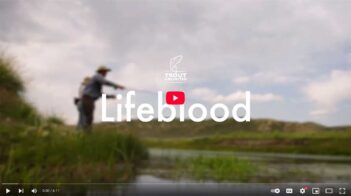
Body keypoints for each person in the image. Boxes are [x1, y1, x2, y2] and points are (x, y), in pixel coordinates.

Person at [80, 65, 125, 132]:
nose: (106, 73)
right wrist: (117, 86)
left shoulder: (97, 82)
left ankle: (86, 133)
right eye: (106, 71)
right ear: (102, 71)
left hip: (88, 100)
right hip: (87, 99)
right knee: (88, 118)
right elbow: (105, 82)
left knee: (88, 118)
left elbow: (99, 94)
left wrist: (110, 96)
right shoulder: (97, 76)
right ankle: (86, 134)